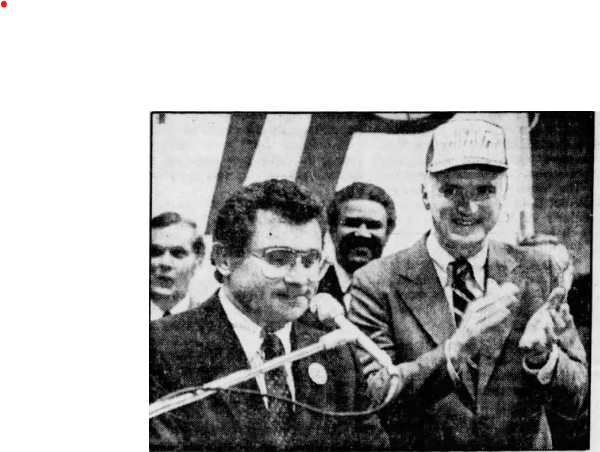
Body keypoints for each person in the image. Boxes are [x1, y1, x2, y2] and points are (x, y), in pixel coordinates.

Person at [348, 119, 588, 450]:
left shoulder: (539, 270)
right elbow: (371, 399)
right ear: (425, 194)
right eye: (451, 190)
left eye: (484, 190)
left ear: (503, 193)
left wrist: (544, 358)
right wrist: (456, 347)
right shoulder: (375, 283)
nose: (468, 207)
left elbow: (577, 400)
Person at [149, 179, 389, 451]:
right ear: (224, 259)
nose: (300, 279)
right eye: (278, 258)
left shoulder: (335, 357)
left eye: (310, 261)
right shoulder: (162, 349)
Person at [319, 182, 396, 313]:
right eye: (352, 223)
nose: (363, 234)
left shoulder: (401, 296)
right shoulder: (310, 286)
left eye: (373, 226)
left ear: (387, 234)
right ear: (332, 230)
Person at [150, 212, 205, 320]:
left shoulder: (210, 322)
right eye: (155, 252)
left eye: (177, 253)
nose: (165, 263)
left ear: (198, 260)